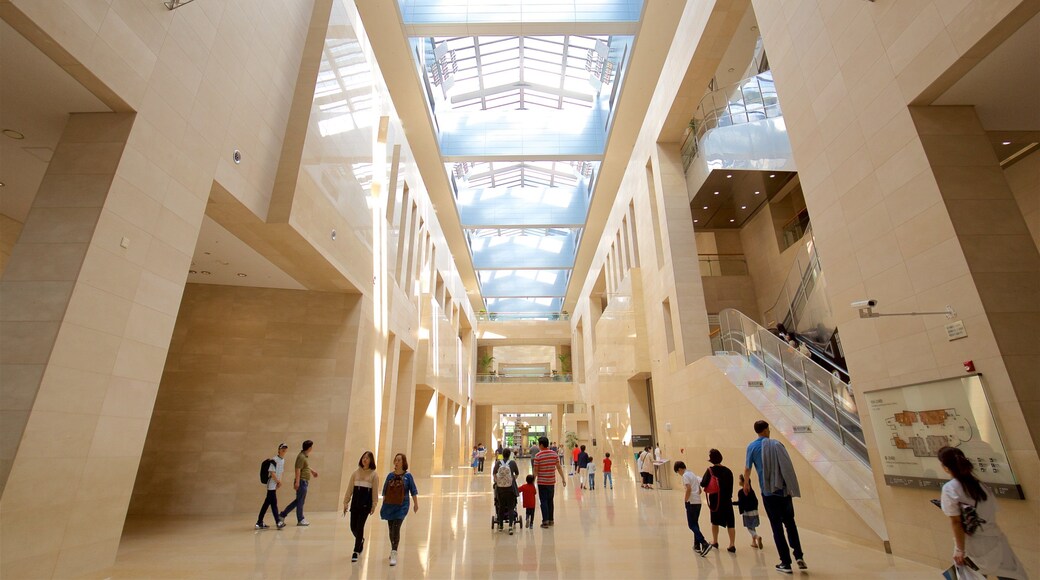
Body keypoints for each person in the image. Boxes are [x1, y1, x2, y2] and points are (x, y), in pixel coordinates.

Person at [937, 446, 1026, 580]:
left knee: (971, 576)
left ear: (945, 467)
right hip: (995, 539)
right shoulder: (982, 486)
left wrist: (960, 550)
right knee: (1010, 575)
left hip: (972, 545)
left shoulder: (950, 489)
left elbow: (956, 522)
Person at [744, 420, 806, 574]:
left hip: (768, 493)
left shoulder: (752, 447)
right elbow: (786, 466)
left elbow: (747, 468)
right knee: (790, 524)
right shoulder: (777, 445)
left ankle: (785, 562)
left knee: (776, 527)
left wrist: (746, 484)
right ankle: (798, 555)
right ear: (765, 430)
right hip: (784, 492)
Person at [380, 453, 419, 567]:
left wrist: (416, 504)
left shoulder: (408, 476)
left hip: (402, 506)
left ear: (403, 462)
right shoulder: (389, 476)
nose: (396, 462)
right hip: (389, 506)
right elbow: (385, 492)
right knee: (391, 530)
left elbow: (413, 491)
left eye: (399, 460)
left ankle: (394, 552)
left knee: (396, 528)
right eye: (395, 460)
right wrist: (383, 506)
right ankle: (393, 548)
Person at [342, 451, 379, 563]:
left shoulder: (374, 474)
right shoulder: (355, 473)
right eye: (363, 457)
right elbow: (349, 489)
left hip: (365, 505)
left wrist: (374, 505)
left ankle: (356, 550)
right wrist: (345, 502)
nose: (365, 459)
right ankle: (361, 539)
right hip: (355, 504)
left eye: (367, 458)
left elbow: (375, 492)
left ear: (371, 460)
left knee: (360, 526)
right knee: (353, 526)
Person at [699, 448, 736, 556]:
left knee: (715, 521)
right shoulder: (728, 471)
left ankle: (715, 541)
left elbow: (703, 483)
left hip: (715, 500)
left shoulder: (710, 470)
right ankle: (732, 544)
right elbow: (731, 486)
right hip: (727, 500)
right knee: (731, 523)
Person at [280, 440, 318, 526]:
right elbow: (297, 469)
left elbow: (305, 466)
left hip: (304, 481)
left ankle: (282, 515)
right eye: (311, 447)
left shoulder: (304, 456)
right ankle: (300, 519)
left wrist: (312, 471)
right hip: (301, 481)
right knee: (300, 501)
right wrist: (297, 482)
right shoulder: (301, 457)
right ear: (309, 448)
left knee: (299, 501)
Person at [532, 436, 567, 528]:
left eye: (539, 444)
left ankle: (545, 521)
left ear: (541, 445)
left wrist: (532, 482)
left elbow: (536, 470)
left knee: (543, 501)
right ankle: (551, 520)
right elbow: (559, 467)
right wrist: (563, 478)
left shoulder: (538, 456)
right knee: (550, 501)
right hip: (551, 482)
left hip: (542, 483)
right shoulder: (554, 454)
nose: (539, 446)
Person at [675, 461, 708, 552]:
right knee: (695, 523)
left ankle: (704, 543)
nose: (679, 474)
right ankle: (696, 545)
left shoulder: (685, 476)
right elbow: (700, 490)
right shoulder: (693, 474)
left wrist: (685, 500)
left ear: (680, 469)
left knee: (691, 525)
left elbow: (688, 489)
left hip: (691, 502)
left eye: (678, 472)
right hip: (698, 502)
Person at [256, 443, 288, 530]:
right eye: (282, 449)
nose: (284, 450)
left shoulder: (283, 460)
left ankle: (259, 522)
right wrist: (277, 481)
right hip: (271, 484)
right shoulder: (274, 459)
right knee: (274, 503)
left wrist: (279, 482)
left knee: (266, 504)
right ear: (279, 450)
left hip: (275, 484)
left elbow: (280, 472)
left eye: (285, 449)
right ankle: (278, 522)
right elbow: (272, 472)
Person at [493, 449, 520, 534]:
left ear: (502, 454)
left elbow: (494, 473)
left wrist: (498, 481)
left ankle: (501, 526)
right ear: (509, 455)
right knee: (511, 507)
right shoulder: (512, 463)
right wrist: (512, 479)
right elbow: (517, 473)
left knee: (501, 506)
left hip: (500, 489)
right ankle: (510, 527)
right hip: (510, 489)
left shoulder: (498, 463)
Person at [737, 473, 763, 550]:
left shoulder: (741, 492)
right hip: (754, 511)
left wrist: (731, 503)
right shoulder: (752, 491)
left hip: (747, 512)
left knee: (749, 528)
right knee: (753, 526)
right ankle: (754, 542)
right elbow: (756, 501)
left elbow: (740, 503)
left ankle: (756, 536)